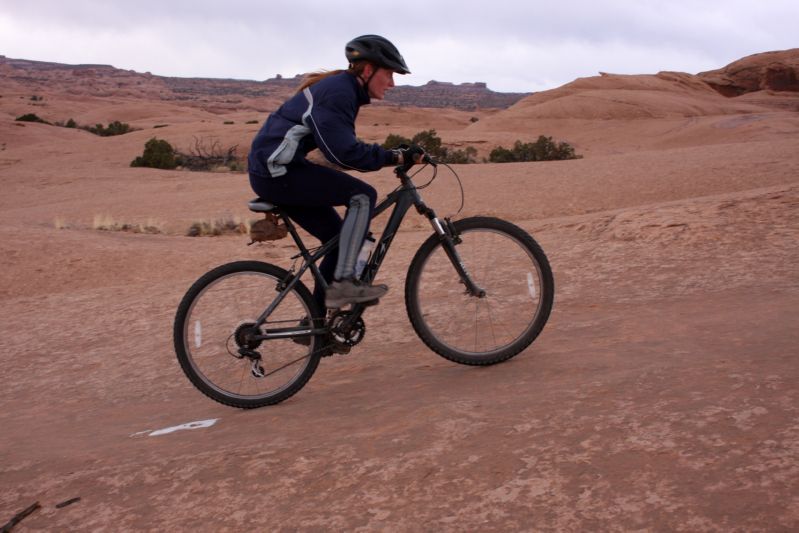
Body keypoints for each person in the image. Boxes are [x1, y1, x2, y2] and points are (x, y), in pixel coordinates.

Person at [248, 35, 424, 309]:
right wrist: (395, 156)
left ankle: (317, 321)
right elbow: (343, 153)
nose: (392, 83)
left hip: (277, 170)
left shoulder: (344, 89)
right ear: (368, 70)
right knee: (363, 195)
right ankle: (344, 284)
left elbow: (337, 147)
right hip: (277, 172)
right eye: (389, 74)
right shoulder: (339, 92)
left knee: (339, 240)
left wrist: (391, 155)